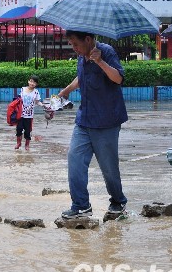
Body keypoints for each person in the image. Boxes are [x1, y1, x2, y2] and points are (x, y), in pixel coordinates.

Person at [57, 30, 128, 219]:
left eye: (75, 44)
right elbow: (82, 78)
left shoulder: (106, 52)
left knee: (108, 167)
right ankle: (81, 205)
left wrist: (100, 61)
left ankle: (118, 201)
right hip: (84, 119)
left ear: (88, 39)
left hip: (107, 120)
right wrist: (66, 91)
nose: (74, 48)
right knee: (75, 160)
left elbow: (118, 78)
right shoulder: (82, 56)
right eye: (71, 44)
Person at [15, 75, 45, 150]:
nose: (32, 83)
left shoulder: (36, 92)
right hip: (20, 114)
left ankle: (27, 145)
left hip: (29, 115)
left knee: (28, 131)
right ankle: (18, 143)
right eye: (31, 81)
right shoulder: (23, 89)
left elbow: (37, 102)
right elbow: (18, 100)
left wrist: (43, 106)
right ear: (28, 81)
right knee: (19, 129)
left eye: (34, 82)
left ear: (36, 84)